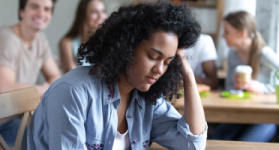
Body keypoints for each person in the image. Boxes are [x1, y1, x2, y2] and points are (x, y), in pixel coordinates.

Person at [27, 2, 208, 150]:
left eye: (168, 62)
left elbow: (193, 144)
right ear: (126, 48)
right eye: (153, 57)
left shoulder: (145, 99)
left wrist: (187, 73)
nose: (159, 70)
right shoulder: (72, 93)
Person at [212, 11, 279, 142]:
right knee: (215, 139)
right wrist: (235, 88)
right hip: (239, 114)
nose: (223, 36)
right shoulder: (232, 54)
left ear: (242, 33)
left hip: (267, 117)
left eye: (227, 32)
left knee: (245, 144)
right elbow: (229, 88)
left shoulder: (264, 54)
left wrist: (262, 88)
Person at [0, 0, 61, 147]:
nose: (41, 13)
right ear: (22, 12)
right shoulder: (7, 38)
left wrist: (46, 88)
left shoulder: (40, 40)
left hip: (12, 120)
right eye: (34, 7)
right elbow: (4, 88)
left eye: (47, 9)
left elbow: (56, 79)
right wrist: (42, 89)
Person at [59, 0, 107, 72]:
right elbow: (72, 73)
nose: (101, 16)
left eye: (103, 11)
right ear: (83, 15)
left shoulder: (109, 41)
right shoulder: (68, 42)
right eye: (94, 12)